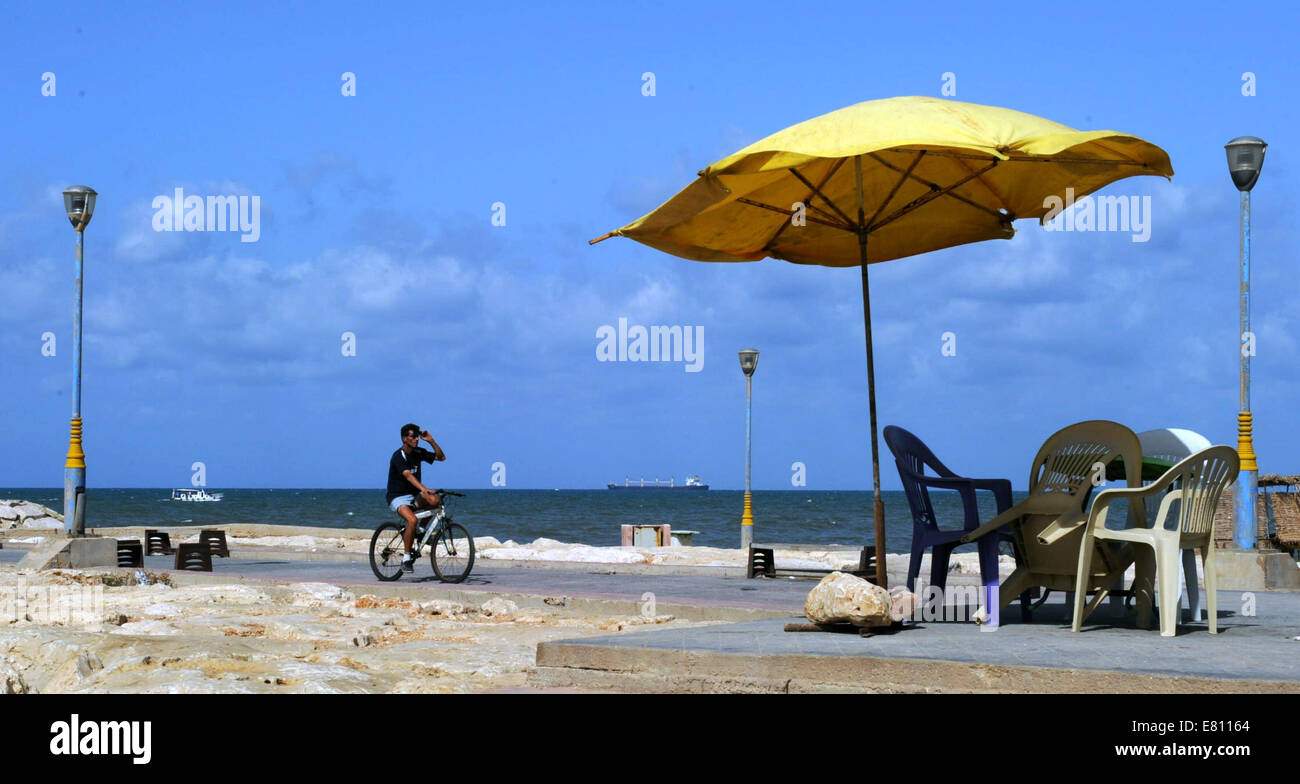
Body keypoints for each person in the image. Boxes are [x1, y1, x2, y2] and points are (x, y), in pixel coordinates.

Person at [385, 423, 446, 572]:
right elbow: (408, 475)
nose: (416, 439)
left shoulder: (418, 452)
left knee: (435, 501)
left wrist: (431, 441)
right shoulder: (398, 456)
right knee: (412, 519)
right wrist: (424, 489)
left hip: (413, 495)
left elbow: (441, 457)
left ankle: (420, 530)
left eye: (417, 436)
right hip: (397, 496)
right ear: (404, 438)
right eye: (413, 436)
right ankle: (406, 559)